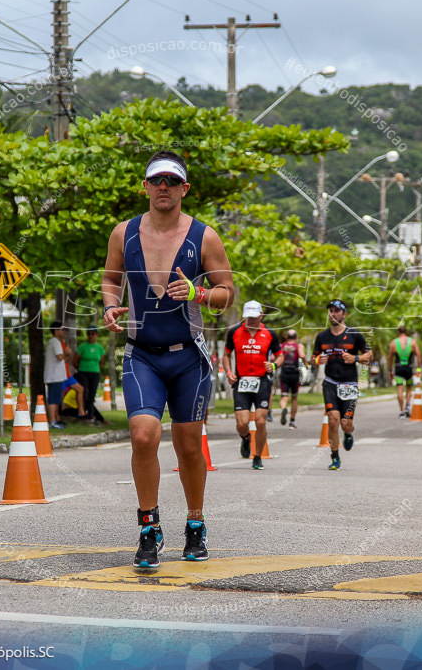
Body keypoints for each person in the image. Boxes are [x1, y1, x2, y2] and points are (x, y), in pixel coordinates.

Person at [101, 150, 235, 569]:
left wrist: (198, 294)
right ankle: (149, 527)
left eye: (171, 182)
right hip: (142, 354)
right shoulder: (123, 234)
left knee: (188, 447)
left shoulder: (204, 236)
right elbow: (110, 278)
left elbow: (226, 293)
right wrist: (110, 305)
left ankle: (195, 524)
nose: (163, 188)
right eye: (156, 181)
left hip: (188, 357)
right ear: (145, 186)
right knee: (143, 436)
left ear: (184, 189)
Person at [312, 299, 372, 470]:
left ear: (344, 314)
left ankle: (348, 433)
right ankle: (335, 457)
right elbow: (312, 359)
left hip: (349, 384)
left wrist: (356, 358)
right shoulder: (322, 336)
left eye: (337, 311)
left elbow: (370, 355)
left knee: (345, 423)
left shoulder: (354, 334)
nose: (333, 314)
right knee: (333, 420)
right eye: (331, 311)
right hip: (330, 382)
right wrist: (317, 360)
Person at [224, 301, 283, 470]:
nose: (251, 320)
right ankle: (245, 439)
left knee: (260, 421)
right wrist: (229, 373)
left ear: (261, 315)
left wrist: (274, 365)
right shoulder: (234, 332)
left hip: (262, 381)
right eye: (248, 317)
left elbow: (280, 356)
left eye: (254, 317)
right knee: (242, 424)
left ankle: (257, 456)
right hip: (241, 381)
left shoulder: (269, 334)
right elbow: (226, 355)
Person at [44, 321, 84, 428]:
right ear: (56, 331)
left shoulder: (55, 342)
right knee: (53, 399)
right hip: (54, 376)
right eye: (62, 329)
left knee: (56, 399)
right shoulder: (55, 342)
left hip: (57, 376)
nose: (65, 332)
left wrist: (67, 355)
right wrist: (66, 353)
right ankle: (52, 421)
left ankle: (55, 420)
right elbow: (60, 357)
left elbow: (62, 360)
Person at [387, 325, 421, 418]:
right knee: (409, 388)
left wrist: (390, 370)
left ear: (398, 332)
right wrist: (418, 369)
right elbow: (418, 355)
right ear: (406, 332)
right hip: (409, 368)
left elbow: (390, 357)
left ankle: (401, 411)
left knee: (399, 388)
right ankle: (407, 406)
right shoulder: (412, 342)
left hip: (398, 368)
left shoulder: (394, 342)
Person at [74, 327, 105, 423]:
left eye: (93, 334)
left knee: (92, 395)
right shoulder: (82, 347)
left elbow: (102, 362)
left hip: (95, 373)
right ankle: (82, 413)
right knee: (83, 393)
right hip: (83, 372)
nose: (91, 336)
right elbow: (74, 361)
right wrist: (81, 369)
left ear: (96, 335)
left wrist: (96, 369)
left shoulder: (99, 348)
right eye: (89, 334)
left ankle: (91, 415)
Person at [277, 329, 305, 429]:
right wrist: (305, 361)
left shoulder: (282, 346)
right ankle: (292, 421)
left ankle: (284, 408)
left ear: (286, 337)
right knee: (294, 397)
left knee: (284, 396)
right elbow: (302, 355)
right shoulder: (299, 346)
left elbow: (274, 357)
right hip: (294, 374)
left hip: (284, 373)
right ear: (296, 337)